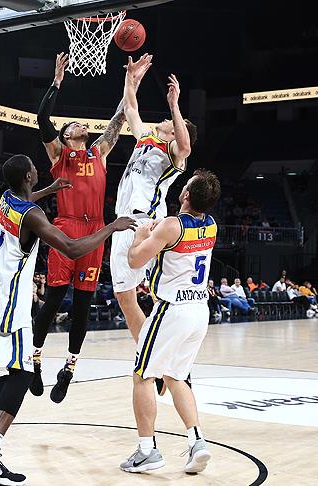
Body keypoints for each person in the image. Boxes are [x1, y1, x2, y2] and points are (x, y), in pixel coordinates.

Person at [0, 155, 135, 485]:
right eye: (33, 167)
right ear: (28, 176)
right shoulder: (32, 215)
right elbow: (72, 248)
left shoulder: (7, 198)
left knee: (12, 374)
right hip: (9, 304)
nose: (36, 168)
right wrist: (111, 228)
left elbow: (28, 199)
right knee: (24, 375)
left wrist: (50, 189)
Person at [30, 52, 149, 404]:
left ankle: (69, 368)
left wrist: (132, 82)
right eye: (74, 125)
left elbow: (120, 117)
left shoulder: (99, 152)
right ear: (66, 135)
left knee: (82, 305)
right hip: (66, 229)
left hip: (95, 231)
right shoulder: (58, 155)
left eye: (82, 124)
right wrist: (56, 82)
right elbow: (42, 118)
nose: (82, 125)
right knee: (53, 299)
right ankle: (34, 360)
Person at [120, 169, 220, 474]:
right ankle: (197, 442)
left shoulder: (171, 225)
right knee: (176, 377)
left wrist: (140, 236)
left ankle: (146, 450)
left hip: (171, 310)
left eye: (185, 184)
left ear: (186, 194)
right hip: (199, 311)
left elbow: (135, 260)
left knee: (143, 376)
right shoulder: (211, 225)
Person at [111, 56, 197, 369]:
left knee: (151, 295)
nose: (164, 119)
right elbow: (131, 109)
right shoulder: (146, 138)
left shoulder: (174, 154)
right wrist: (130, 79)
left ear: (175, 131)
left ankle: (162, 358)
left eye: (171, 122)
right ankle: (153, 358)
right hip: (123, 222)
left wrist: (175, 106)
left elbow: (185, 147)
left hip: (143, 224)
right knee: (126, 297)